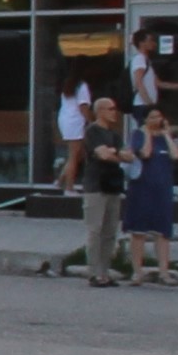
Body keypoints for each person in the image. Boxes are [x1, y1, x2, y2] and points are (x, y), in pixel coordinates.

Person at [63, 91, 129, 286]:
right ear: (100, 111)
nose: (114, 112)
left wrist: (114, 152)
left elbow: (129, 156)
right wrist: (115, 154)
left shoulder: (115, 135)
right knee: (95, 230)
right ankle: (94, 272)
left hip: (113, 186)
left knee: (110, 231)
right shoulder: (92, 131)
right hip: (95, 186)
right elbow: (102, 155)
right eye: (111, 109)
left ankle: (105, 271)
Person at [124, 109, 178, 282]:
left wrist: (166, 134)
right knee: (139, 231)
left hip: (162, 189)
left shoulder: (165, 138)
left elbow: (176, 155)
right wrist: (147, 133)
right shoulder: (138, 134)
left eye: (159, 116)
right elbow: (145, 153)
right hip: (142, 188)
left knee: (163, 232)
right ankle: (137, 271)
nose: (156, 119)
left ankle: (164, 271)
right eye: (152, 117)